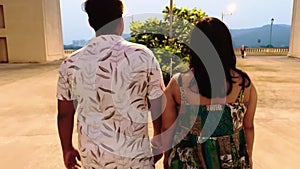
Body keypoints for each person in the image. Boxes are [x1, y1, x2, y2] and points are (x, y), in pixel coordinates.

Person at [57, 0, 165, 168]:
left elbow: (64, 114)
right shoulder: (143, 56)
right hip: (136, 158)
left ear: (90, 22)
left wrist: (67, 149)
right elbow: (158, 103)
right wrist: (159, 138)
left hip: (93, 159)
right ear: (121, 21)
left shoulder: (71, 63)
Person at [161, 17, 257, 169]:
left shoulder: (177, 84)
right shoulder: (244, 85)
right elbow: (248, 127)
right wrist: (249, 157)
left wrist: (167, 158)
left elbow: (167, 129)